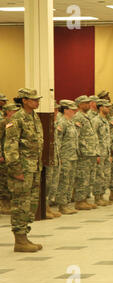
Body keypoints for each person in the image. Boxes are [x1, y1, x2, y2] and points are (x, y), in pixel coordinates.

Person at [4, 88, 44, 252]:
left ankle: (24, 236)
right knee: (20, 203)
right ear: (25, 101)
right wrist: (16, 169)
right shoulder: (16, 119)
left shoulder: (34, 117)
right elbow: (10, 146)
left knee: (30, 203)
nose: (37, 101)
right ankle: (19, 240)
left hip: (34, 167)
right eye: (33, 99)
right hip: (22, 168)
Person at [73, 95, 100, 210]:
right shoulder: (78, 117)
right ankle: (79, 201)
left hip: (91, 152)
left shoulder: (87, 117)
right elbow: (76, 137)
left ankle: (84, 199)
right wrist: (80, 151)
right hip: (84, 153)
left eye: (89, 103)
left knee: (89, 177)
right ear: (79, 105)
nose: (88, 105)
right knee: (82, 177)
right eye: (85, 103)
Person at [55, 100, 79, 215]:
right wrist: (59, 157)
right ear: (65, 110)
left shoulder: (71, 122)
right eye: (72, 110)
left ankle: (67, 203)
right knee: (64, 181)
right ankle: (62, 205)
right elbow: (58, 141)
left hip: (72, 156)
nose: (74, 111)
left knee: (70, 181)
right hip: (65, 157)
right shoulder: (62, 123)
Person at [0, 102, 20, 215]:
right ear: (7, 112)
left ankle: (11, 203)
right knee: (3, 181)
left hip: (13, 156)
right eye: (14, 111)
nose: (16, 113)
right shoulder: (3, 123)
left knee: (12, 180)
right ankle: (4, 204)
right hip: (4, 156)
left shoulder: (15, 122)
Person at [92, 99, 113, 206]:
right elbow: (94, 138)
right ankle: (97, 197)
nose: (108, 109)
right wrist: (96, 153)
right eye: (106, 107)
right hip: (99, 152)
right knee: (99, 175)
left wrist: (109, 154)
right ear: (100, 108)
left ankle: (102, 195)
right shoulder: (96, 120)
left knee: (106, 175)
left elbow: (107, 139)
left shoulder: (105, 120)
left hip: (106, 152)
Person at [45, 103, 62, 219]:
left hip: (56, 157)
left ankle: (48, 207)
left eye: (56, 110)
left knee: (53, 184)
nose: (55, 112)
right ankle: (44, 208)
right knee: (47, 183)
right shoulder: (46, 123)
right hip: (49, 158)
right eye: (53, 110)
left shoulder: (56, 123)